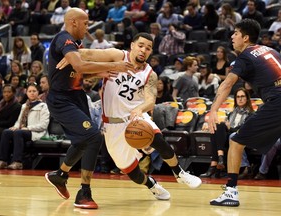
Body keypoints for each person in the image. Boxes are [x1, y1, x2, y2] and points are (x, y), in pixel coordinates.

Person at [62, 32, 202, 203]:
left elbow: (150, 100)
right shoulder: (117, 56)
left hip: (135, 117)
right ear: (132, 46)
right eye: (141, 45)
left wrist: (140, 109)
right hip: (112, 126)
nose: (144, 50)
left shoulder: (150, 73)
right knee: (131, 172)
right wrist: (68, 53)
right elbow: (89, 54)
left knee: (158, 140)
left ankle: (179, 172)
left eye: (148, 48)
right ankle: (152, 185)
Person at [44, 7, 135, 210]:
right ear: (73, 22)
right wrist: (112, 67)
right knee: (93, 137)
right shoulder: (64, 39)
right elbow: (79, 66)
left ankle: (60, 175)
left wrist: (100, 73)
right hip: (61, 100)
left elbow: (76, 74)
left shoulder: (75, 43)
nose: (88, 26)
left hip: (76, 97)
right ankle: (84, 192)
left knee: (84, 139)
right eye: (85, 23)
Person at [208, 19, 281, 207]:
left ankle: (231, 192)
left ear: (245, 37)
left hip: (277, 102)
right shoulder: (271, 51)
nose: (232, 37)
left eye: (236, 33)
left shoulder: (245, 57)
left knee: (235, 140)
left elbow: (227, 84)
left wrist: (213, 110)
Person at [200, 87, 254, 178]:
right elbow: (226, 129)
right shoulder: (231, 114)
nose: (240, 99)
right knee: (216, 127)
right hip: (230, 138)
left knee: (221, 127)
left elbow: (244, 130)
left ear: (247, 98)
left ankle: (215, 164)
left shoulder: (251, 114)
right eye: (238, 97)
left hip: (243, 139)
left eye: (242, 96)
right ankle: (218, 159)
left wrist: (230, 128)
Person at [0, 83, 49, 170]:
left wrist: (28, 128)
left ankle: (17, 162)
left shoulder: (43, 106)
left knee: (18, 133)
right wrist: (15, 126)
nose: (32, 93)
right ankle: (3, 160)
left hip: (37, 132)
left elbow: (44, 125)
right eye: (30, 91)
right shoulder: (24, 106)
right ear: (26, 93)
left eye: (34, 91)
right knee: (6, 132)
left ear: (38, 92)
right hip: (24, 130)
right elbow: (18, 121)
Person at [0, 84, 22, 162]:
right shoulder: (0, 104)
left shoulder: (17, 106)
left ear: (13, 93)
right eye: (4, 92)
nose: (6, 94)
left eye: (9, 92)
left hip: (8, 129)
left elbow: (10, 122)